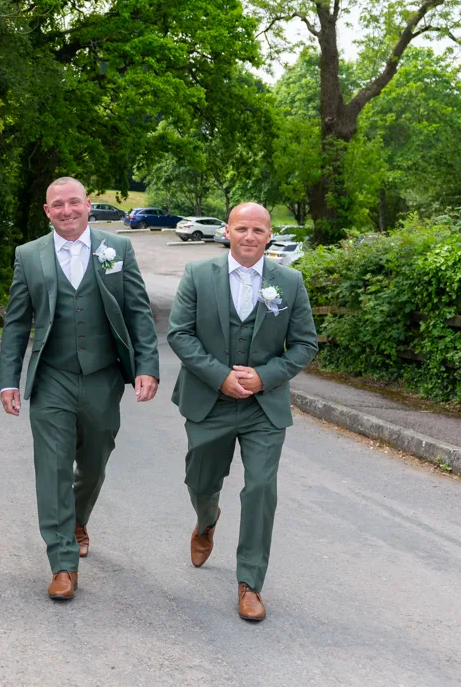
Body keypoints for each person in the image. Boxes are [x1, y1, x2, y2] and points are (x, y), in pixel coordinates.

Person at [0, 177, 159, 601]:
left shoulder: (117, 249)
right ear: (47, 211)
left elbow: (138, 311)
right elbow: (17, 322)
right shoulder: (29, 255)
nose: (66, 211)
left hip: (104, 376)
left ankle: (78, 517)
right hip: (52, 377)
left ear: (88, 205)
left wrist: (147, 367)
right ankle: (62, 563)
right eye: (57, 205)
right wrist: (8, 379)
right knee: (52, 469)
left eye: (74, 203)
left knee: (94, 463)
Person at [166, 202, 317, 621]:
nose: (250, 236)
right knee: (200, 481)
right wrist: (220, 377)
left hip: (263, 408)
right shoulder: (198, 275)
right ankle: (206, 519)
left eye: (258, 230)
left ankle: (250, 583)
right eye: (242, 228)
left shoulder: (290, 281)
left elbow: (305, 344)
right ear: (227, 232)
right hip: (209, 401)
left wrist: (265, 377)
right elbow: (179, 333)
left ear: (269, 236)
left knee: (261, 489)